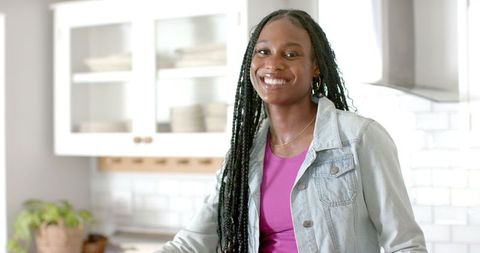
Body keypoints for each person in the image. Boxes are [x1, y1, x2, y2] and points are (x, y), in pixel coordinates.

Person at [156, 9, 427, 253]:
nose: (273, 64)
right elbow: (190, 244)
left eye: (291, 54)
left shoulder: (360, 138)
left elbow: (405, 245)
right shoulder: (242, 155)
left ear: (315, 67)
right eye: (263, 52)